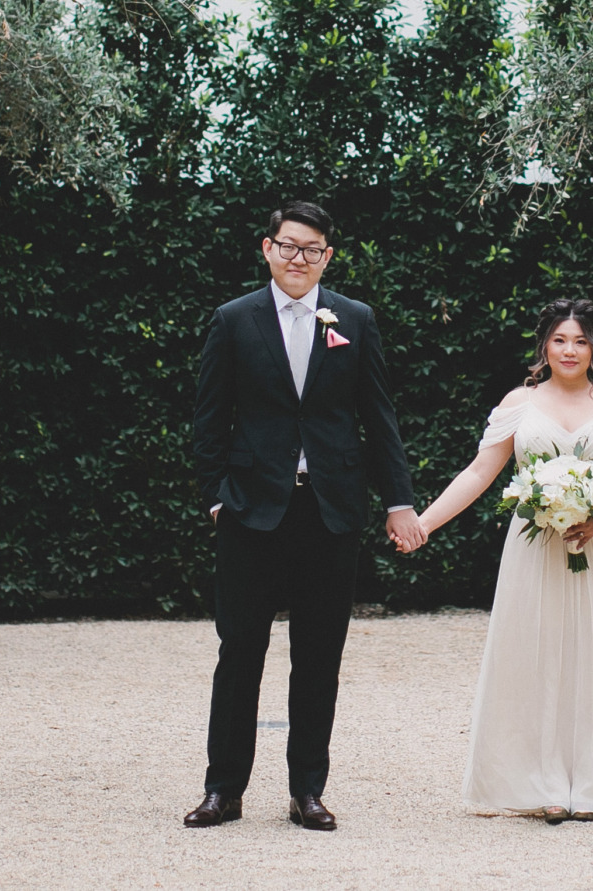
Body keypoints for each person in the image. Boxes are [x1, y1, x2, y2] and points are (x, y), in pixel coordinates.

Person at [185, 201, 426, 831]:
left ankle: (306, 791)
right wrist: (216, 497)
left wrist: (398, 501)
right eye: (288, 246)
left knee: (319, 655)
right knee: (239, 651)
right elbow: (208, 419)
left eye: (311, 249)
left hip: (330, 512)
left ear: (328, 256)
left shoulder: (356, 320)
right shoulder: (233, 320)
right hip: (251, 512)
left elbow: (379, 418)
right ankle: (223, 789)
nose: (298, 258)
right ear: (267, 248)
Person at [416, 298, 593, 823]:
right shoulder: (519, 403)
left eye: (579, 340)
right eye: (559, 340)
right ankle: (544, 783)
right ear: (544, 346)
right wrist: (425, 522)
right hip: (535, 548)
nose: (569, 350)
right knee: (537, 657)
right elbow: (480, 473)